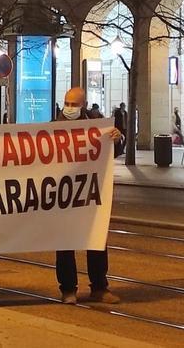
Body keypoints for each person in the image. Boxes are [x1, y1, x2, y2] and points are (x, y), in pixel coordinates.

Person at [54, 87, 122, 304]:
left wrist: (117, 139)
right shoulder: (52, 129)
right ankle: (68, 289)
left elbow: (112, 152)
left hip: (90, 193)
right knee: (65, 243)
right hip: (63, 195)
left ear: (83, 104)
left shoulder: (96, 127)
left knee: (96, 239)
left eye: (74, 104)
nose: (70, 108)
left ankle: (99, 287)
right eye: (67, 103)